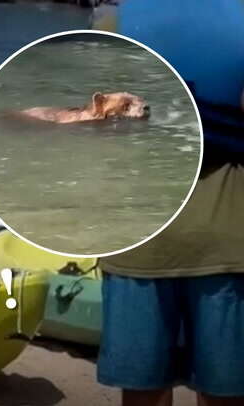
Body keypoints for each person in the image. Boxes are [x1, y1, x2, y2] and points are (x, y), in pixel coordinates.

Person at [95, 2, 244, 405]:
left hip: (139, 238)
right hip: (227, 241)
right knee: (225, 395)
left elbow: (97, 133)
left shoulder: (116, 22)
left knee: (144, 395)